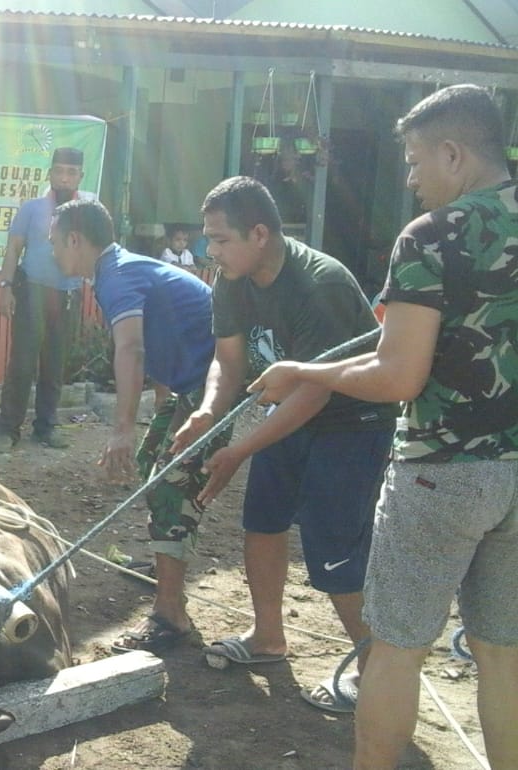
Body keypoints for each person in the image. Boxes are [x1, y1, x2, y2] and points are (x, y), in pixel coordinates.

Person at [249, 84, 518, 769]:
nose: (409, 177)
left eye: (414, 158)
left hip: (442, 475)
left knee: (397, 647)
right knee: (501, 650)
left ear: (453, 154)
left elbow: (399, 376)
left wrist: (305, 374)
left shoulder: (431, 236)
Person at [170, 176, 396, 713]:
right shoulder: (232, 278)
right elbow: (227, 363)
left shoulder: (321, 285)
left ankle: (377, 673)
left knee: (332, 543)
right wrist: (207, 413)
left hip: (352, 420)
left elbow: (317, 391)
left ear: (260, 233)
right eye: (208, 239)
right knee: (262, 520)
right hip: (286, 410)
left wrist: (239, 450)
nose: (210, 251)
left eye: (221, 240)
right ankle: (268, 637)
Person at [47, 199, 229, 654]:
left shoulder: (117, 276)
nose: (52, 253)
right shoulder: (120, 270)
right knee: (153, 462)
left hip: (221, 387)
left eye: (53, 243)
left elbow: (131, 350)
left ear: (74, 238)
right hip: (192, 385)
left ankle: (171, 615)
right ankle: (166, 565)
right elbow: (171, 331)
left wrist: (121, 429)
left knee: (169, 484)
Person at [0, 147, 93, 452]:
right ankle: (7, 429)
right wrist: (5, 287)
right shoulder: (32, 208)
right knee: (22, 363)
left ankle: (46, 428)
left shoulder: (90, 210)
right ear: (49, 174)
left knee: (55, 363)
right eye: (59, 171)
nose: (64, 178)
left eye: (71, 172)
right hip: (32, 291)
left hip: (68, 294)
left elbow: (97, 251)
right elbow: (13, 249)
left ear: (80, 176)